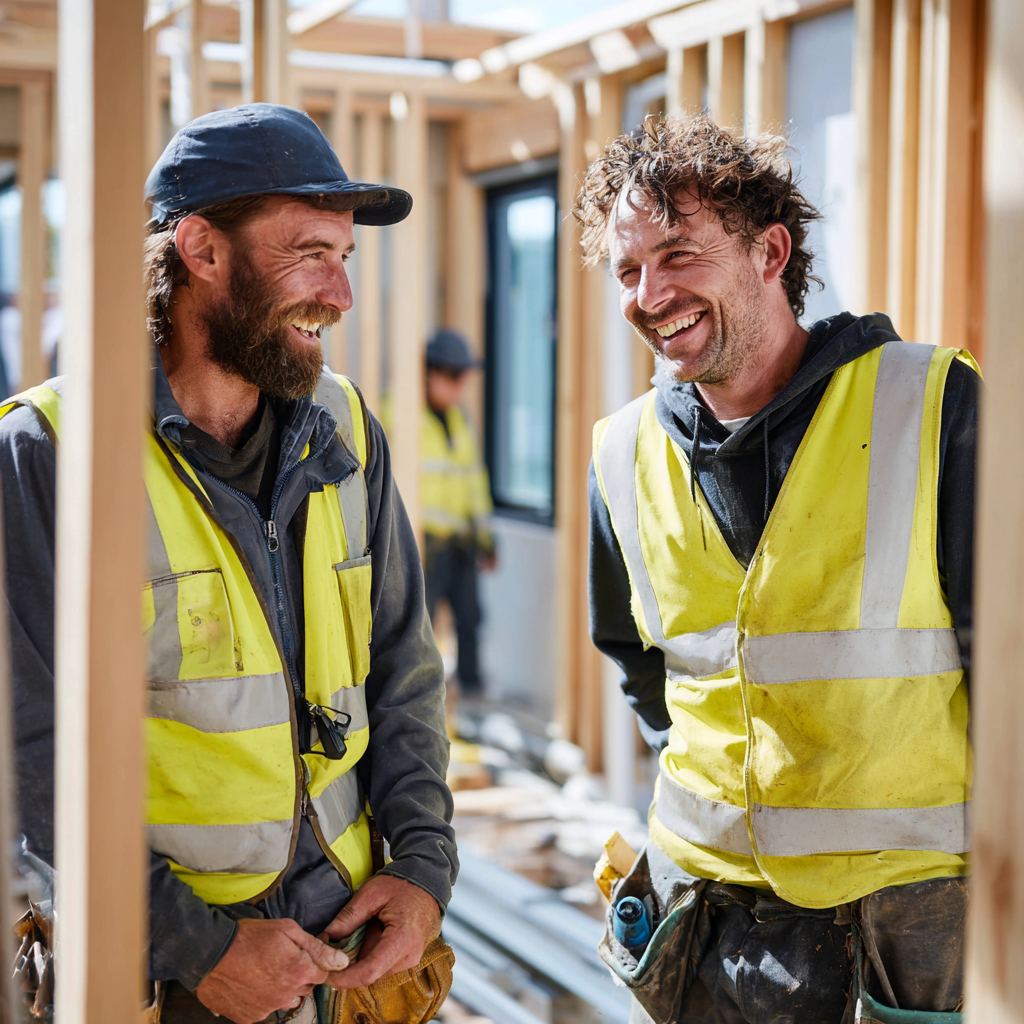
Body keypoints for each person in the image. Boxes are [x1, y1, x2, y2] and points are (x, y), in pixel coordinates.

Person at [0, 104, 457, 1024]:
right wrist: (195, 946)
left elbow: (404, 670)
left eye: (345, 256)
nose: (340, 294)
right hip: (171, 976)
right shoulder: (49, 451)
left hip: (349, 952)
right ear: (201, 250)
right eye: (308, 254)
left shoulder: (347, 428)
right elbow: (33, 754)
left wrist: (422, 871)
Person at [580, 115, 975, 1023]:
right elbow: (641, 660)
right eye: (629, 270)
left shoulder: (930, 402)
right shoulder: (620, 453)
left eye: (679, 254)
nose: (650, 292)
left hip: (903, 920)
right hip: (702, 918)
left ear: (770, 251)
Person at [420, 329, 495, 699]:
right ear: (430, 374)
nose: (457, 389)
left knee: (471, 618)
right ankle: (424, 695)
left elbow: (473, 480)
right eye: (452, 378)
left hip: (460, 542)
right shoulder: (400, 413)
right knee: (423, 624)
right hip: (423, 543)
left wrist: (485, 537)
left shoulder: (459, 421)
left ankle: (471, 688)